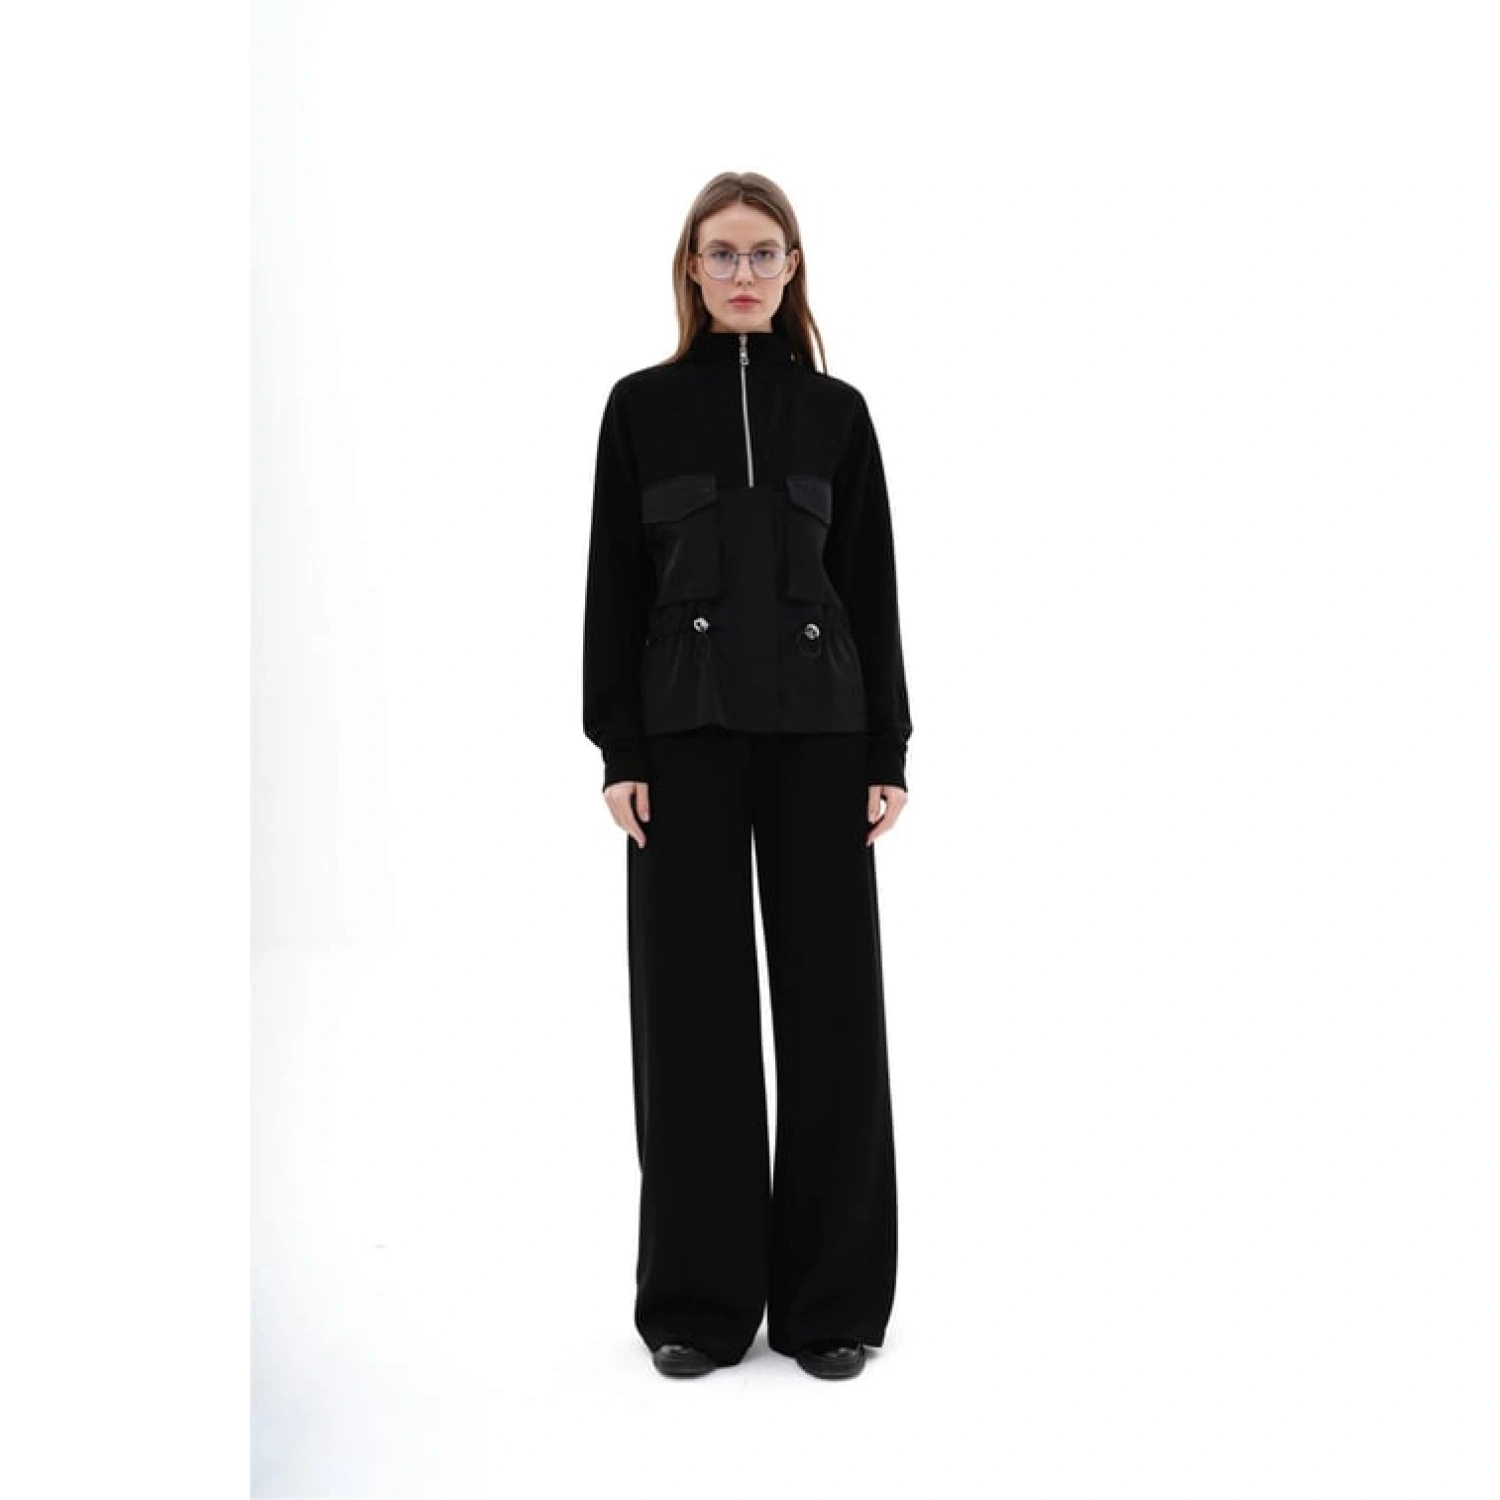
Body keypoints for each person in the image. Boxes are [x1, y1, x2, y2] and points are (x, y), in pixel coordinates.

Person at [581, 170, 913, 1381]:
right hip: (683, 742)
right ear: (691, 266)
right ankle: (697, 1304)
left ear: (792, 268)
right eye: (721, 253)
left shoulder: (836, 414)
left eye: (764, 253)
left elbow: (871, 585)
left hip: (823, 739)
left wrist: (887, 749)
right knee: (691, 1019)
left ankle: (832, 1308)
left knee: (833, 1015)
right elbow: (613, 585)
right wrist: (619, 748)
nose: (742, 273)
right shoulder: (641, 408)